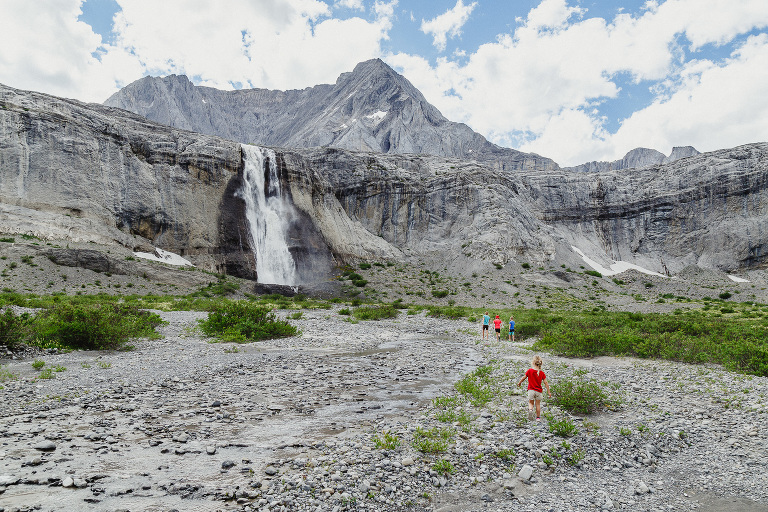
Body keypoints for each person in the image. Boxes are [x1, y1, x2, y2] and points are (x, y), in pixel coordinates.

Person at [517, 355, 551, 421]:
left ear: (533, 363)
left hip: (531, 390)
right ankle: (538, 418)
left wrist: (519, 382)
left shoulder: (529, 371)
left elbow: (524, 377)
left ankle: (530, 410)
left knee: (531, 403)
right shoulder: (542, 373)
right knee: (538, 404)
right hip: (538, 391)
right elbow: (546, 383)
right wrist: (549, 392)